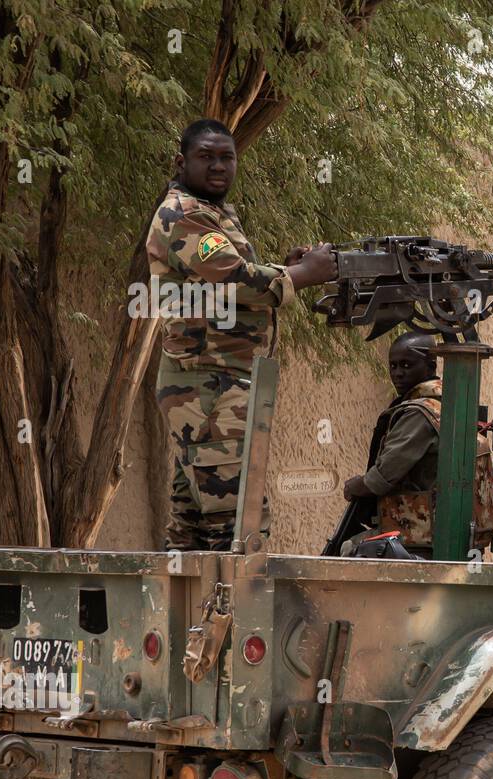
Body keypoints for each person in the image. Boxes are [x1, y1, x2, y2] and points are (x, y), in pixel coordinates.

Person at [149, 117, 338, 551]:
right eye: (206, 157)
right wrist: (303, 274)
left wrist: (283, 266)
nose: (218, 166)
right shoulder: (184, 214)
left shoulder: (212, 213)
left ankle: (187, 617)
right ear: (181, 163)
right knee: (237, 526)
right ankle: (239, 617)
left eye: (226, 157)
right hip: (209, 387)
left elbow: (224, 283)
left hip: (212, 383)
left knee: (195, 525)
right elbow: (237, 280)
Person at [340, 331, 493, 556]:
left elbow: (381, 478)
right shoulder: (448, 401)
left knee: (349, 548)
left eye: (406, 365)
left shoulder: (419, 413)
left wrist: (355, 485)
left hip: (424, 536)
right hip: (447, 533)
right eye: (393, 366)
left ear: (430, 366)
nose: (398, 374)